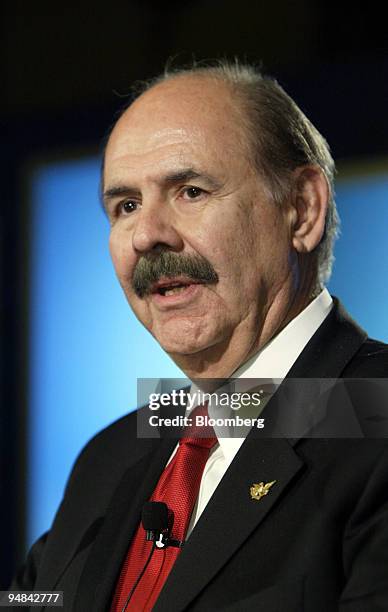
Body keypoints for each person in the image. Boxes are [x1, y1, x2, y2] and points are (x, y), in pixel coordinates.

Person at [11, 61, 388, 611]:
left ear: (301, 210)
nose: (145, 235)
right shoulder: (110, 456)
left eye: (190, 191)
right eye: (126, 206)